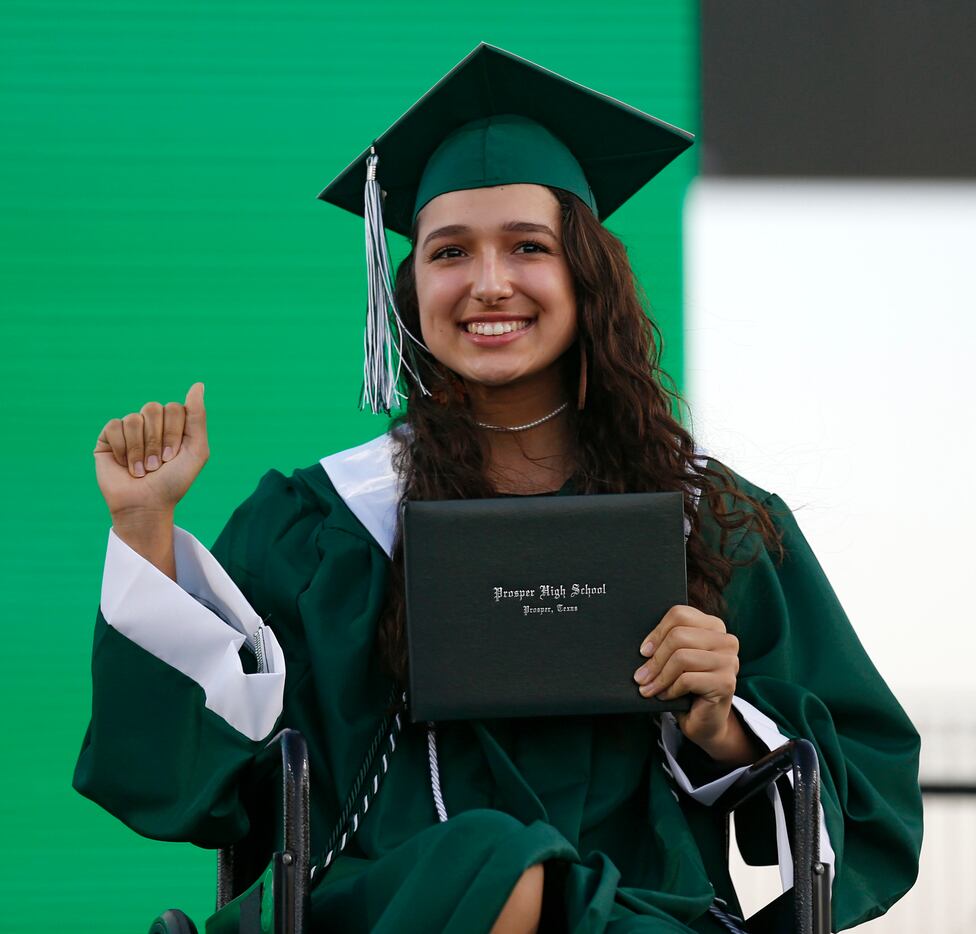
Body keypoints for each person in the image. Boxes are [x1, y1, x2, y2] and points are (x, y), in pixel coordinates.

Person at [74, 44, 922, 933]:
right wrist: (144, 529)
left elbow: (870, 800)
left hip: (638, 915)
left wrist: (723, 720)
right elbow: (191, 788)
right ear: (409, 287)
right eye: (449, 252)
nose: (488, 282)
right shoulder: (323, 525)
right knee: (497, 860)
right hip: (382, 912)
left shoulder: (710, 524)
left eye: (528, 246)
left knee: (523, 873)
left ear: (586, 276)